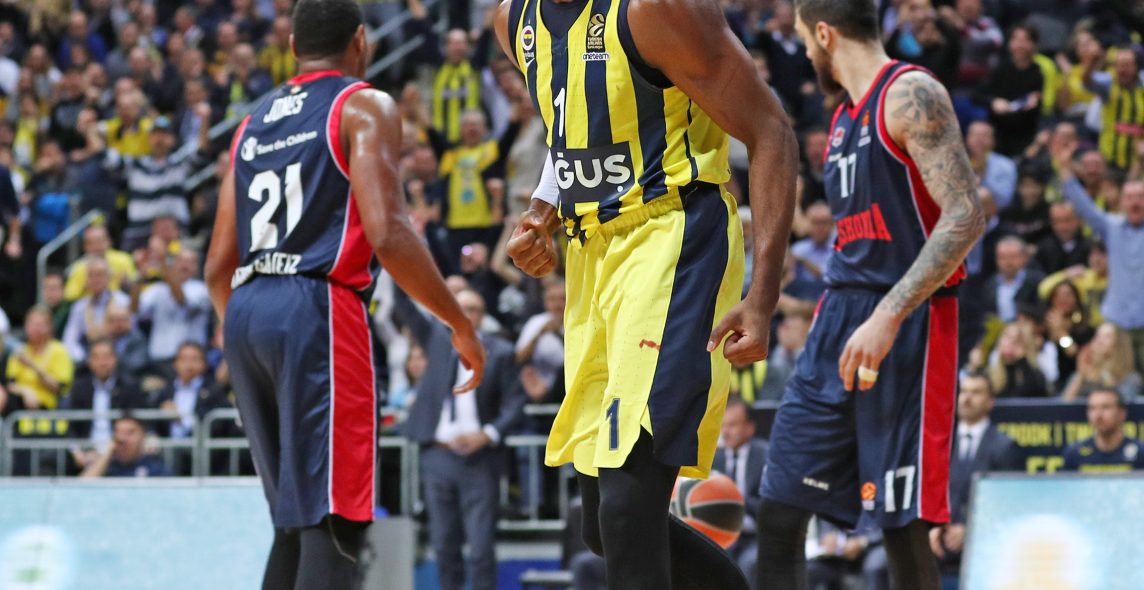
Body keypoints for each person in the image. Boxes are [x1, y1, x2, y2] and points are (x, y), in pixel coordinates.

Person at [496, 0, 799, 583]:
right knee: (601, 525)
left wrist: (763, 295)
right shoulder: (514, 21)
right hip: (591, 254)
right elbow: (572, 131)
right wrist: (541, 212)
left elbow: (772, 131)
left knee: (628, 509)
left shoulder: (654, 11)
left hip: (672, 238)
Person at [204, 1, 486, 587]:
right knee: (335, 522)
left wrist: (257, 328)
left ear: (291, 47)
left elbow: (215, 266)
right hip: (317, 307)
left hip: (247, 309)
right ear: (361, 41)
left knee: (293, 523)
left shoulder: (251, 124)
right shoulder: (363, 104)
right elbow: (389, 233)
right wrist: (457, 323)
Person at [757, 2, 986, 589]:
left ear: (825, 34)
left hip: (908, 320)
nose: (806, 55)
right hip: (839, 317)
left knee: (901, 527)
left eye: (806, 40)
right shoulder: (841, 117)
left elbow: (965, 215)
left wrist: (888, 314)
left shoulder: (910, 93)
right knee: (779, 508)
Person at [396, 288, 525, 590]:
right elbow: (405, 307)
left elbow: (516, 403)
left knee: (481, 546)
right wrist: (396, 266)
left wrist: (487, 435)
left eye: (474, 309)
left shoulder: (501, 352)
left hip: (481, 459)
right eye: (460, 308)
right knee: (443, 544)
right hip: (437, 455)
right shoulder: (436, 341)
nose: (467, 315)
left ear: (483, 315)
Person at [1054, 142, 1144, 375]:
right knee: (1113, 381)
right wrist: (1065, 169)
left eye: (1141, 197)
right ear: (1122, 202)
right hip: (1117, 322)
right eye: (1130, 197)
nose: (1135, 202)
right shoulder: (1112, 227)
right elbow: (1084, 207)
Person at [931, 372, 1020, 590]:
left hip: (987, 549)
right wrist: (932, 526)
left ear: (990, 402)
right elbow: (930, 490)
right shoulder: (939, 442)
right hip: (939, 547)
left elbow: (1010, 504)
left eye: (976, 392)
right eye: (963, 392)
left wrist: (972, 528)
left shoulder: (1005, 446)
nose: (967, 398)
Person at [713, 397, 768, 583]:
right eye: (723, 425)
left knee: (749, 563)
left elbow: (770, 505)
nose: (726, 432)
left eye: (732, 425)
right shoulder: (714, 457)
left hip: (755, 535)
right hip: (719, 533)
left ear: (749, 428)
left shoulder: (765, 455)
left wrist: (737, 498)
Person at [1061, 388, 1144, 472]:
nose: (1098, 415)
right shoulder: (1075, 453)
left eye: (1105, 407)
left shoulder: (1140, 452)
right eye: (1092, 408)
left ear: (1122, 413)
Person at [79, 415, 171, 478]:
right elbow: (81, 489)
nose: (123, 438)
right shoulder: (108, 466)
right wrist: (107, 453)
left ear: (142, 436)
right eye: (119, 432)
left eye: (130, 433)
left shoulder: (155, 467)